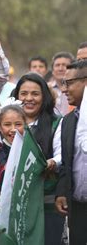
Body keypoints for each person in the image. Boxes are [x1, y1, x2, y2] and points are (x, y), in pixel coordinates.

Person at [11, 73, 63, 245]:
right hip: (14, 204)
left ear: (44, 97)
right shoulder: (8, 123)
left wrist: (52, 162)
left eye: (35, 94)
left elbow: (61, 154)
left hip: (46, 204)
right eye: (24, 93)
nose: (29, 98)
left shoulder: (57, 123)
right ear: (16, 96)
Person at [55, 60, 87, 244]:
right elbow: (67, 163)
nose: (64, 89)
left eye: (69, 83)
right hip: (77, 208)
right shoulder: (67, 121)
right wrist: (62, 192)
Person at [50, 52, 75, 116]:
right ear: (52, 70)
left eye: (64, 65)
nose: (60, 69)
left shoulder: (77, 89)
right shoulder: (46, 88)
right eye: (57, 65)